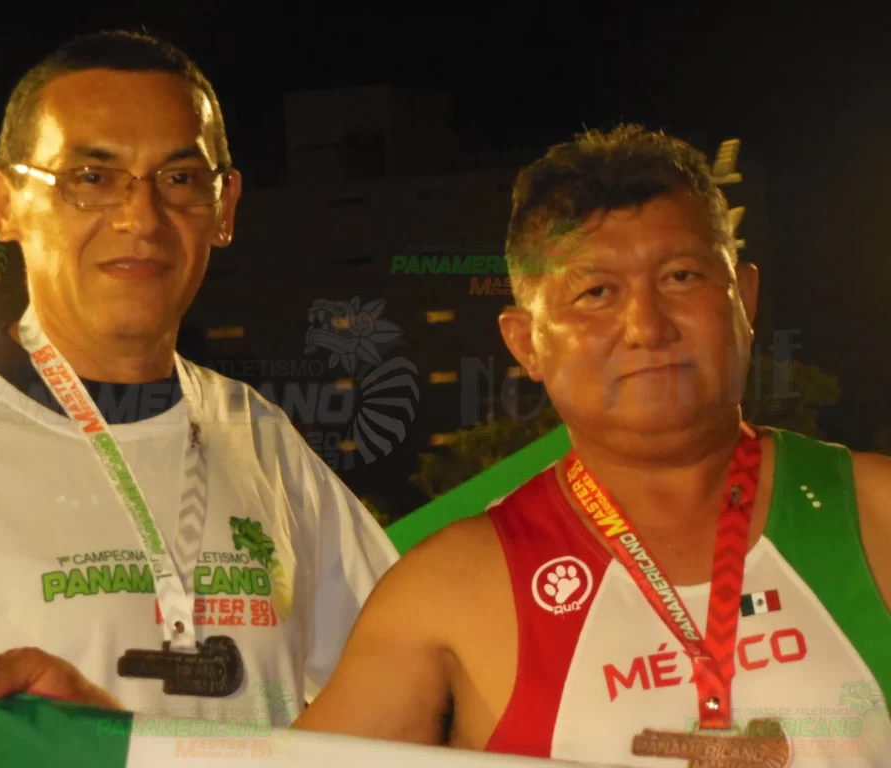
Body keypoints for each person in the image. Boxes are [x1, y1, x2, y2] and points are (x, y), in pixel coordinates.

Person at [292, 126, 891, 764]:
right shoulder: (451, 588)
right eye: (596, 293)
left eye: (681, 276)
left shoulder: (876, 512)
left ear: (744, 299)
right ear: (526, 343)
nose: (647, 327)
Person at [0, 29, 398, 725]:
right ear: (3, 205)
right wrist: (70, 745)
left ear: (225, 207)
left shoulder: (260, 438)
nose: (141, 218)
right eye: (91, 178)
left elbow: (414, 686)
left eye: (180, 180)